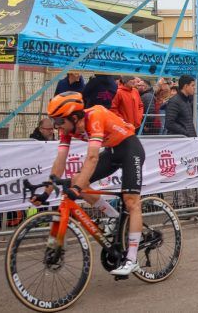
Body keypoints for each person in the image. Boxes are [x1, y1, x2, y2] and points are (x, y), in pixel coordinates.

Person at [39, 91, 144, 275]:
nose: (56, 127)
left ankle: (132, 259)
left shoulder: (95, 115)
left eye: (59, 121)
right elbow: (60, 160)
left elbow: (93, 157)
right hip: (112, 151)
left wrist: (77, 188)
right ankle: (113, 215)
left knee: (131, 201)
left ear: (73, 116)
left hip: (130, 148)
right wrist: (46, 192)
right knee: (77, 181)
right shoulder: (68, 129)